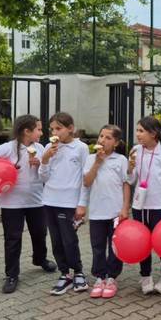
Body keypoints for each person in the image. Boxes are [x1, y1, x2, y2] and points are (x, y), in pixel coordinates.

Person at [0, 114, 56, 294]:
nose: (42, 133)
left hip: (36, 201)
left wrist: (41, 163)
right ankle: (12, 275)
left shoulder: (41, 148)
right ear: (27, 131)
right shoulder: (9, 148)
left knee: (40, 233)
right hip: (12, 203)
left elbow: (46, 175)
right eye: (39, 129)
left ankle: (40, 259)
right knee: (13, 239)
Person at [39, 112, 90, 295]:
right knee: (56, 240)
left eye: (58, 128)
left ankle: (78, 272)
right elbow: (42, 177)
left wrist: (82, 204)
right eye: (52, 129)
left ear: (70, 129)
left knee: (69, 240)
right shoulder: (49, 147)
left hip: (69, 202)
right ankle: (64, 273)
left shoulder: (81, 148)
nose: (55, 132)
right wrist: (45, 159)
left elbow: (85, 178)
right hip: (49, 200)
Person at [127, 116, 161, 295]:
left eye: (141, 131)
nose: (138, 134)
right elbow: (131, 180)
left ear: (153, 133)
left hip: (159, 205)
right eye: (137, 130)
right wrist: (130, 167)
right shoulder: (135, 150)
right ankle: (146, 275)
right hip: (140, 204)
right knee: (143, 241)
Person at [79, 125, 130, 299]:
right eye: (101, 136)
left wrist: (125, 207)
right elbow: (86, 182)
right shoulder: (90, 158)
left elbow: (126, 184)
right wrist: (97, 163)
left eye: (108, 138)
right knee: (98, 246)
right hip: (97, 212)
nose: (102, 140)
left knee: (115, 246)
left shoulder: (121, 160)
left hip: (116, 212)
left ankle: (112, 277)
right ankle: (99, 277)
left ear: (115, 143)